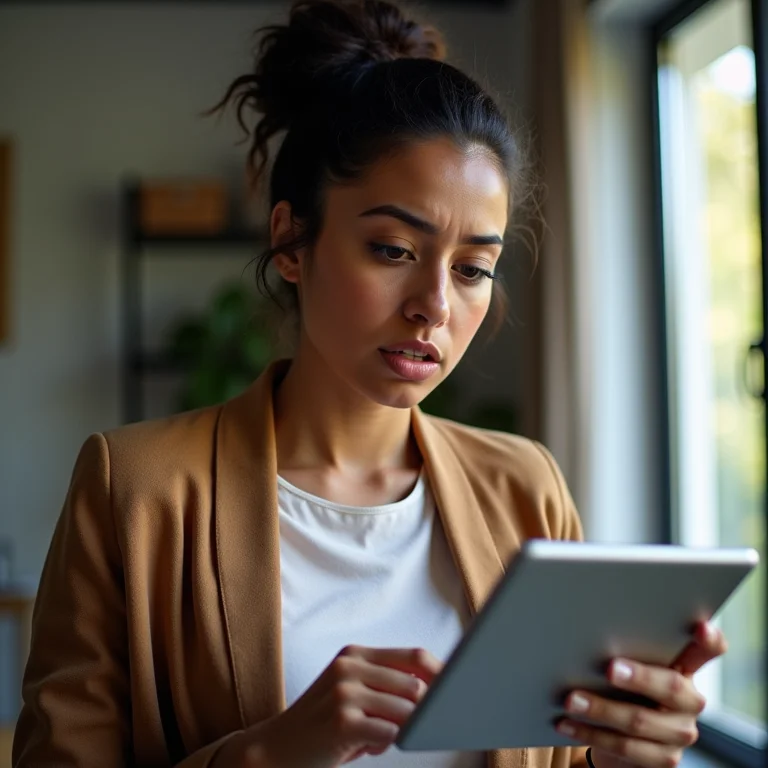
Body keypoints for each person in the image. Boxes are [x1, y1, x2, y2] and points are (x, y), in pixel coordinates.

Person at [12, 1, 726, 767]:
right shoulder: (138, 491)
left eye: (474, 268)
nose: (435, 306)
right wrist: (271, 752)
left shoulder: (524, 487)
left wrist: (624, 754)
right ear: (291, 239)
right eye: (392, 249)